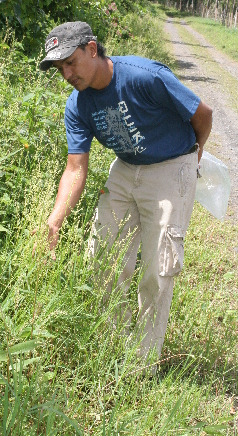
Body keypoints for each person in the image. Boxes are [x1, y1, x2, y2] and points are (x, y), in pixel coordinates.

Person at [37, 21, 212, 365]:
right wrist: (55, 221)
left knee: (157, 268)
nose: (66, 74)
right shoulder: (77, 106)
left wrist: (193, 158)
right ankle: (113, 346)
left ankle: (142, 364)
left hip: (170, 165)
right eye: (59, 69)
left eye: (70, 62)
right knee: (102, 257)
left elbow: (202, 115)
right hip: (125, 167)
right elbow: (75, 168)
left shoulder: (143, 77)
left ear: (91, 48)